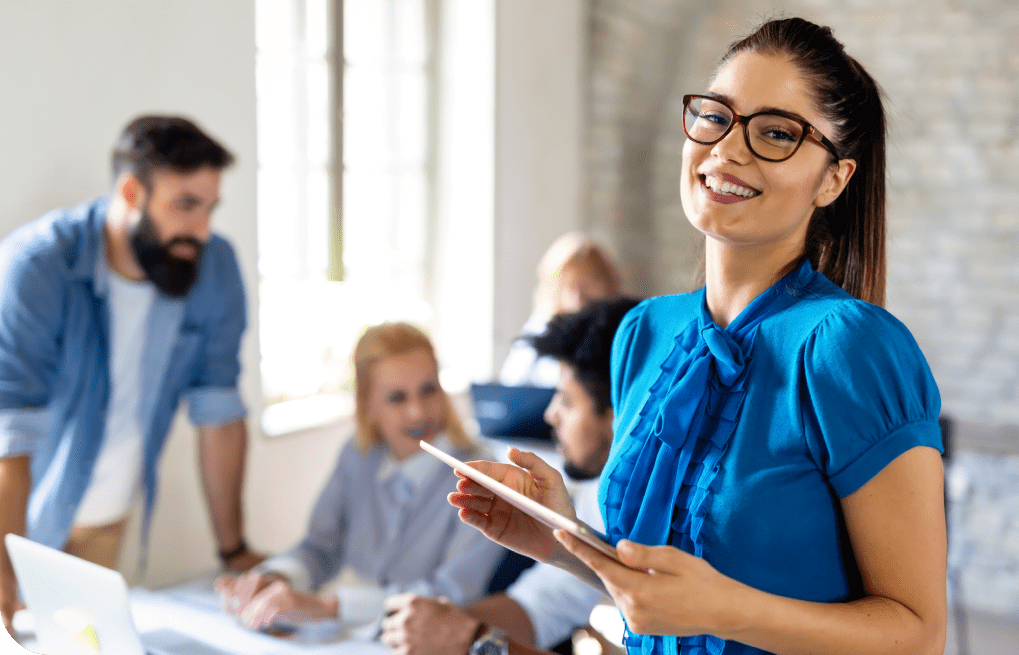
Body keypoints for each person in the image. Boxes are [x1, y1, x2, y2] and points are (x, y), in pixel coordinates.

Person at [448, 17, 947, 655]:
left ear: (833, 179)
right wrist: (559, 537)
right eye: (716, 117)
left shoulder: (850, 347)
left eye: (775, 133)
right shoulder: (642, 333)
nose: (728, 149)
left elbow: (919, 634)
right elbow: (656, 596)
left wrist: (727, 609)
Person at [0, 115, 265, 636]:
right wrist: (3, 586)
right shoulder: (38, 267)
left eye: (210, 207)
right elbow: (9, 440)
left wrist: (233, 551)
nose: (202, 230)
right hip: (18, 519)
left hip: (108, 522)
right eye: (185, 204)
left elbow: (219, 414)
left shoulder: (213, 269)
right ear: (131, 190)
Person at [381, 297, 639, 655]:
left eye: (566, 401)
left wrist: (472, 641)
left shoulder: (682, 528)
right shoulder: (605, 496)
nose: (550, 415)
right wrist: (440, 623)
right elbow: (545, 603)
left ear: (618, 415)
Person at [216, 322, 504, 632]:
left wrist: (330, 607)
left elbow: (451, 595)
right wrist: (277, 578)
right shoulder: (358, 457)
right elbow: (320, 546)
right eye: (397, 398)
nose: (418, 413)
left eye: (428, 390)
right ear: (367, 404)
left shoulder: (480, 477)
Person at [499, 232, 624, 388]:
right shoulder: (541, 329)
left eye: (587, 285)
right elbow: (510, 386)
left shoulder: (623, 331)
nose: (578, 298)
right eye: (569, 287)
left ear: (608, 282)